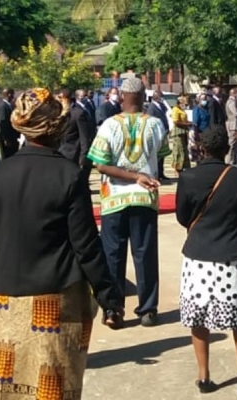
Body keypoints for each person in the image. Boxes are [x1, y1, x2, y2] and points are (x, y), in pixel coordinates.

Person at [0, 88, 123, 399]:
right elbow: (85, 245)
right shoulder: (69, 176)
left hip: (4, 297)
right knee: (52, 385)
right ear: (57, 128)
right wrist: (109, 297)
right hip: (55, 299)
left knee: (2, 386)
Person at [176, 126, 237, 395]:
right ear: (227, 148)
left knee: (198, 317)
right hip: (232, 255)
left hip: (198, 255)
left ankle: (204, 376)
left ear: (201, 147)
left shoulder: (188, 176)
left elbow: (182, 216)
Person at [87, 77, 168, 327]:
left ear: (121, 96)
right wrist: (140, 175)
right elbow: (162, 154)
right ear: (144, 96)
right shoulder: (156, 124)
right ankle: (148, 309)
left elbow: (99, 163)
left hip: (114, 199)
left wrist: (130, 176)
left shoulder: (109, 126)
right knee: (145, 253)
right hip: (145, 199)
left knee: (112, 254)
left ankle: (112, 309)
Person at [58, 89, 96, 181]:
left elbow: (84, 139)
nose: (59, 100)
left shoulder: (77, 114)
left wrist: (82, 159)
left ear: (67, 99)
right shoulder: (58, 113)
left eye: (60, 98)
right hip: (59, 154)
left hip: (73, 155)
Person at [147, 90, 172, 181]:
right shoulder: (151, 108)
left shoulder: (161, 106)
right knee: (157, 155)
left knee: (162, 154)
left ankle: (161, 173)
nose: (162, 98)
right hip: (156, 134)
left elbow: (167, 112)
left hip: (163, 132)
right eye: (161, 96)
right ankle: (156, 174)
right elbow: (150, 121)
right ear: (156, 97)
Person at [0, 88, 20, 159]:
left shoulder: (9, 105)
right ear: (9, 95)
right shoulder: (3, 106)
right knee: (7, 156)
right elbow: (2, 123)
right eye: (12, 94)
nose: (13, 96)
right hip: (7, 138)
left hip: (11, 137)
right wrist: (5, 138)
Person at [171, 95, 191, 174]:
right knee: (179, 150)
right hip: (178, 132)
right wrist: (186, 124)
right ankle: (177, 167)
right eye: (184, 103)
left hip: (184, 132)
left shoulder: (181, 110)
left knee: (184, 150)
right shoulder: (175, 109)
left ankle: (184, 166)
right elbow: (176, 122)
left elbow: (184, 119)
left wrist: (189, 122)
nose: (185, 105)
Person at [191, 94, 211, 162]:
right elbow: (195, 124)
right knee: (200, 151)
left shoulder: (206, 109)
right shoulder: (197, 109)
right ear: (199, 100)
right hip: (200, 133)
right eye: (202, 99)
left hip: (207, 133)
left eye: (205, 99)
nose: (204, 100)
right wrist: (197, 136)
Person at [225, 88, 237, 165]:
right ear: (234, 94)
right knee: (232, 143)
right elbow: (235, 113)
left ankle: (232, 159)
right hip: (233, 125)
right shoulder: (231, 102)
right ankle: (229, 160)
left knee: (234, 143)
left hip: (233, 124)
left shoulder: (231, 101)